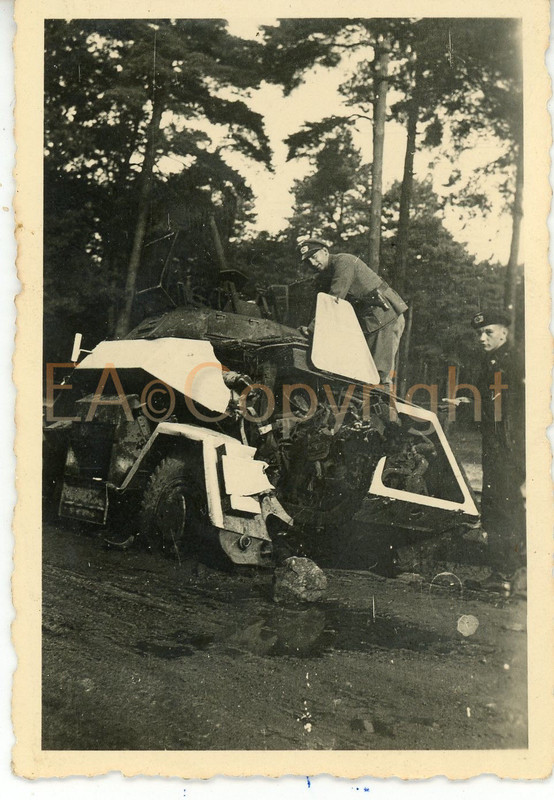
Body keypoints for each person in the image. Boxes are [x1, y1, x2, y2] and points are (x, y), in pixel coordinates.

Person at [297, 239, 407, 385]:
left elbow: (333, 300)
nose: (312, 262)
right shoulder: (327, 273)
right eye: (307, 261)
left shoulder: (343, 263)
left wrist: (312, 329)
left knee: (379, 376)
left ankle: (387, 407)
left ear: (325, 251)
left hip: (384, 317)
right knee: (366, 374)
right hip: (372, 321)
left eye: (314, 256)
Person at [470, 309, 526, 594]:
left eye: (488, 332)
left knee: (502, 506)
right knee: (500, 504)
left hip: (508, 446)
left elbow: (505, 408)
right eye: (479, 333)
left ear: (504, 331)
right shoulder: (492, 362)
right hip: (497, 444)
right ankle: (509, 573)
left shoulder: (513, 362)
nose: (482, 338)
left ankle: (504, 574)